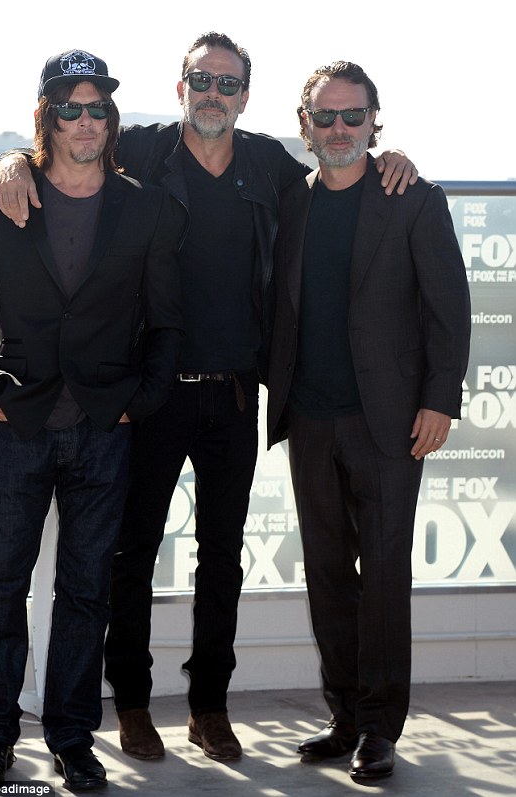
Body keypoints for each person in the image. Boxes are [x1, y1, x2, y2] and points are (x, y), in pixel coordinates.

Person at [0, 33, 417, 762]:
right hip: (149, 393)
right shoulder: (143, 149)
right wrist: (8, 162)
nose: (213, 94)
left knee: (221, 556)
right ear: (181, 84)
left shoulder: (267, 166)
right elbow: (62, 147)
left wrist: (393, 159)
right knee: (133, 552)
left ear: (246, 97)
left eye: (228, 83)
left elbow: (341, 167)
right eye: (201, 79)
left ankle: (209, 706)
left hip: (234, 394)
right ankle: (129, 701)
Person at [0, 49, 183, 790]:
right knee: (3, 582)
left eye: (98, 108)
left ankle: (73, 737)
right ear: (44, 116)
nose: (86, 120)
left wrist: (135, 403)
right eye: (69, 108)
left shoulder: (146, 207)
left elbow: (167, 323)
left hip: (104, 431)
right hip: (21, 422)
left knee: (86, 590)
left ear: (112, 120)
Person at [266, 61, 471, 781]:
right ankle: (345, 714)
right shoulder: (292, 201)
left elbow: (449, 308)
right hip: (310, 417)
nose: (340, 129)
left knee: (383, 573)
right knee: (327, 572)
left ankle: (382, 727)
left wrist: (440, 399)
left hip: (388, 422)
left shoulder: (412, 199)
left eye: (354, 117)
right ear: (306, 126)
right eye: (326, 118)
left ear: (376, 123)